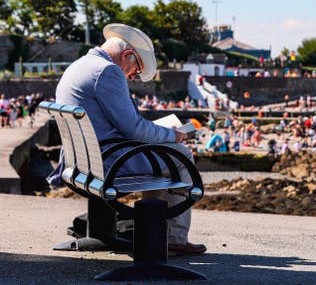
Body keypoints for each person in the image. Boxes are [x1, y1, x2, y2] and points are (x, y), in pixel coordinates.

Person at [54, 23, 206, 254]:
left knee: (162, 152)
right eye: (135, 70)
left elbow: (123, 125)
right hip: (108, 162)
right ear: (127, 55)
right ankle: (171, 237)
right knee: (179, 154)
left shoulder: (78, 66)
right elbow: (133, 129)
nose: (133, 76)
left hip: (82, 161)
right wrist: (172, 134)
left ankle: (153, 232)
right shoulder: (107, 71)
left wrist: (157, 133)